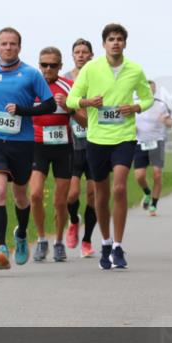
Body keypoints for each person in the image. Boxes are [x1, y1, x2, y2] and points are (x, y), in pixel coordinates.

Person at [66, 23, 153, 270]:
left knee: (119, 188)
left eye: (119, 39)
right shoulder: (92, 68)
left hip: (124, 137)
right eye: (111, 39)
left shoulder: (135, 70)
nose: (115, 43)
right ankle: (104, 242)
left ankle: (118, 245)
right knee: (101, 195)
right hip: (97, 140)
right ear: (104, 44)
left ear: (125, 43)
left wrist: (135, 107)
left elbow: (146, 98)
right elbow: (72, 99)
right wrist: (87, 101)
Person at [0, 27, 55, 269]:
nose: (8, 48)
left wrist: (23, 110)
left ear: (19, 47)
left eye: (13, 44)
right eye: (4, 44)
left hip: (23, 141)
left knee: (19, 195)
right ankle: (0, 248)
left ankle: (20, 236)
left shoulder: (30, 74)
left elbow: (48, 105)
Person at [29, 47, 74, 262]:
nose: (48, 69)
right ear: (39, 65)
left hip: (63, 147)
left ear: (60, 67)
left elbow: (84, 120)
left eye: (53, 65)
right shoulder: (30, 86)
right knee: (35, 194)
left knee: (60, 201)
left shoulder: (69, 86)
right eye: (44, 64)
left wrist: (69, 107)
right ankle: (41, 239)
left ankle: (58, 242)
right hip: (37, 145)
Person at [65, 39, 97, 258]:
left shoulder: (97, 77)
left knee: (93, 195)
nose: (81, 55)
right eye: (77, 52)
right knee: (72, 194)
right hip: (72, 143)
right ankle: (74, 221)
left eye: (85, 52)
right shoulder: (66, 79)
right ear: (73, 56)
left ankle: (86, 241)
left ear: (91, 55)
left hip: (95, 143)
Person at [133, 81, 172, 216]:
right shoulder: (135, 105)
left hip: (157, 142)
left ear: (154, 91)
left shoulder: (161, 105)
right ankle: (147, 193)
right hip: (140, 143)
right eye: (146, 90)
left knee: (157, 174)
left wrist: (165, 121)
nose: (149, 92)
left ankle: (153, 206)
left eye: (152, 90)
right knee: (139, 176)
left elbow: (170, 123)